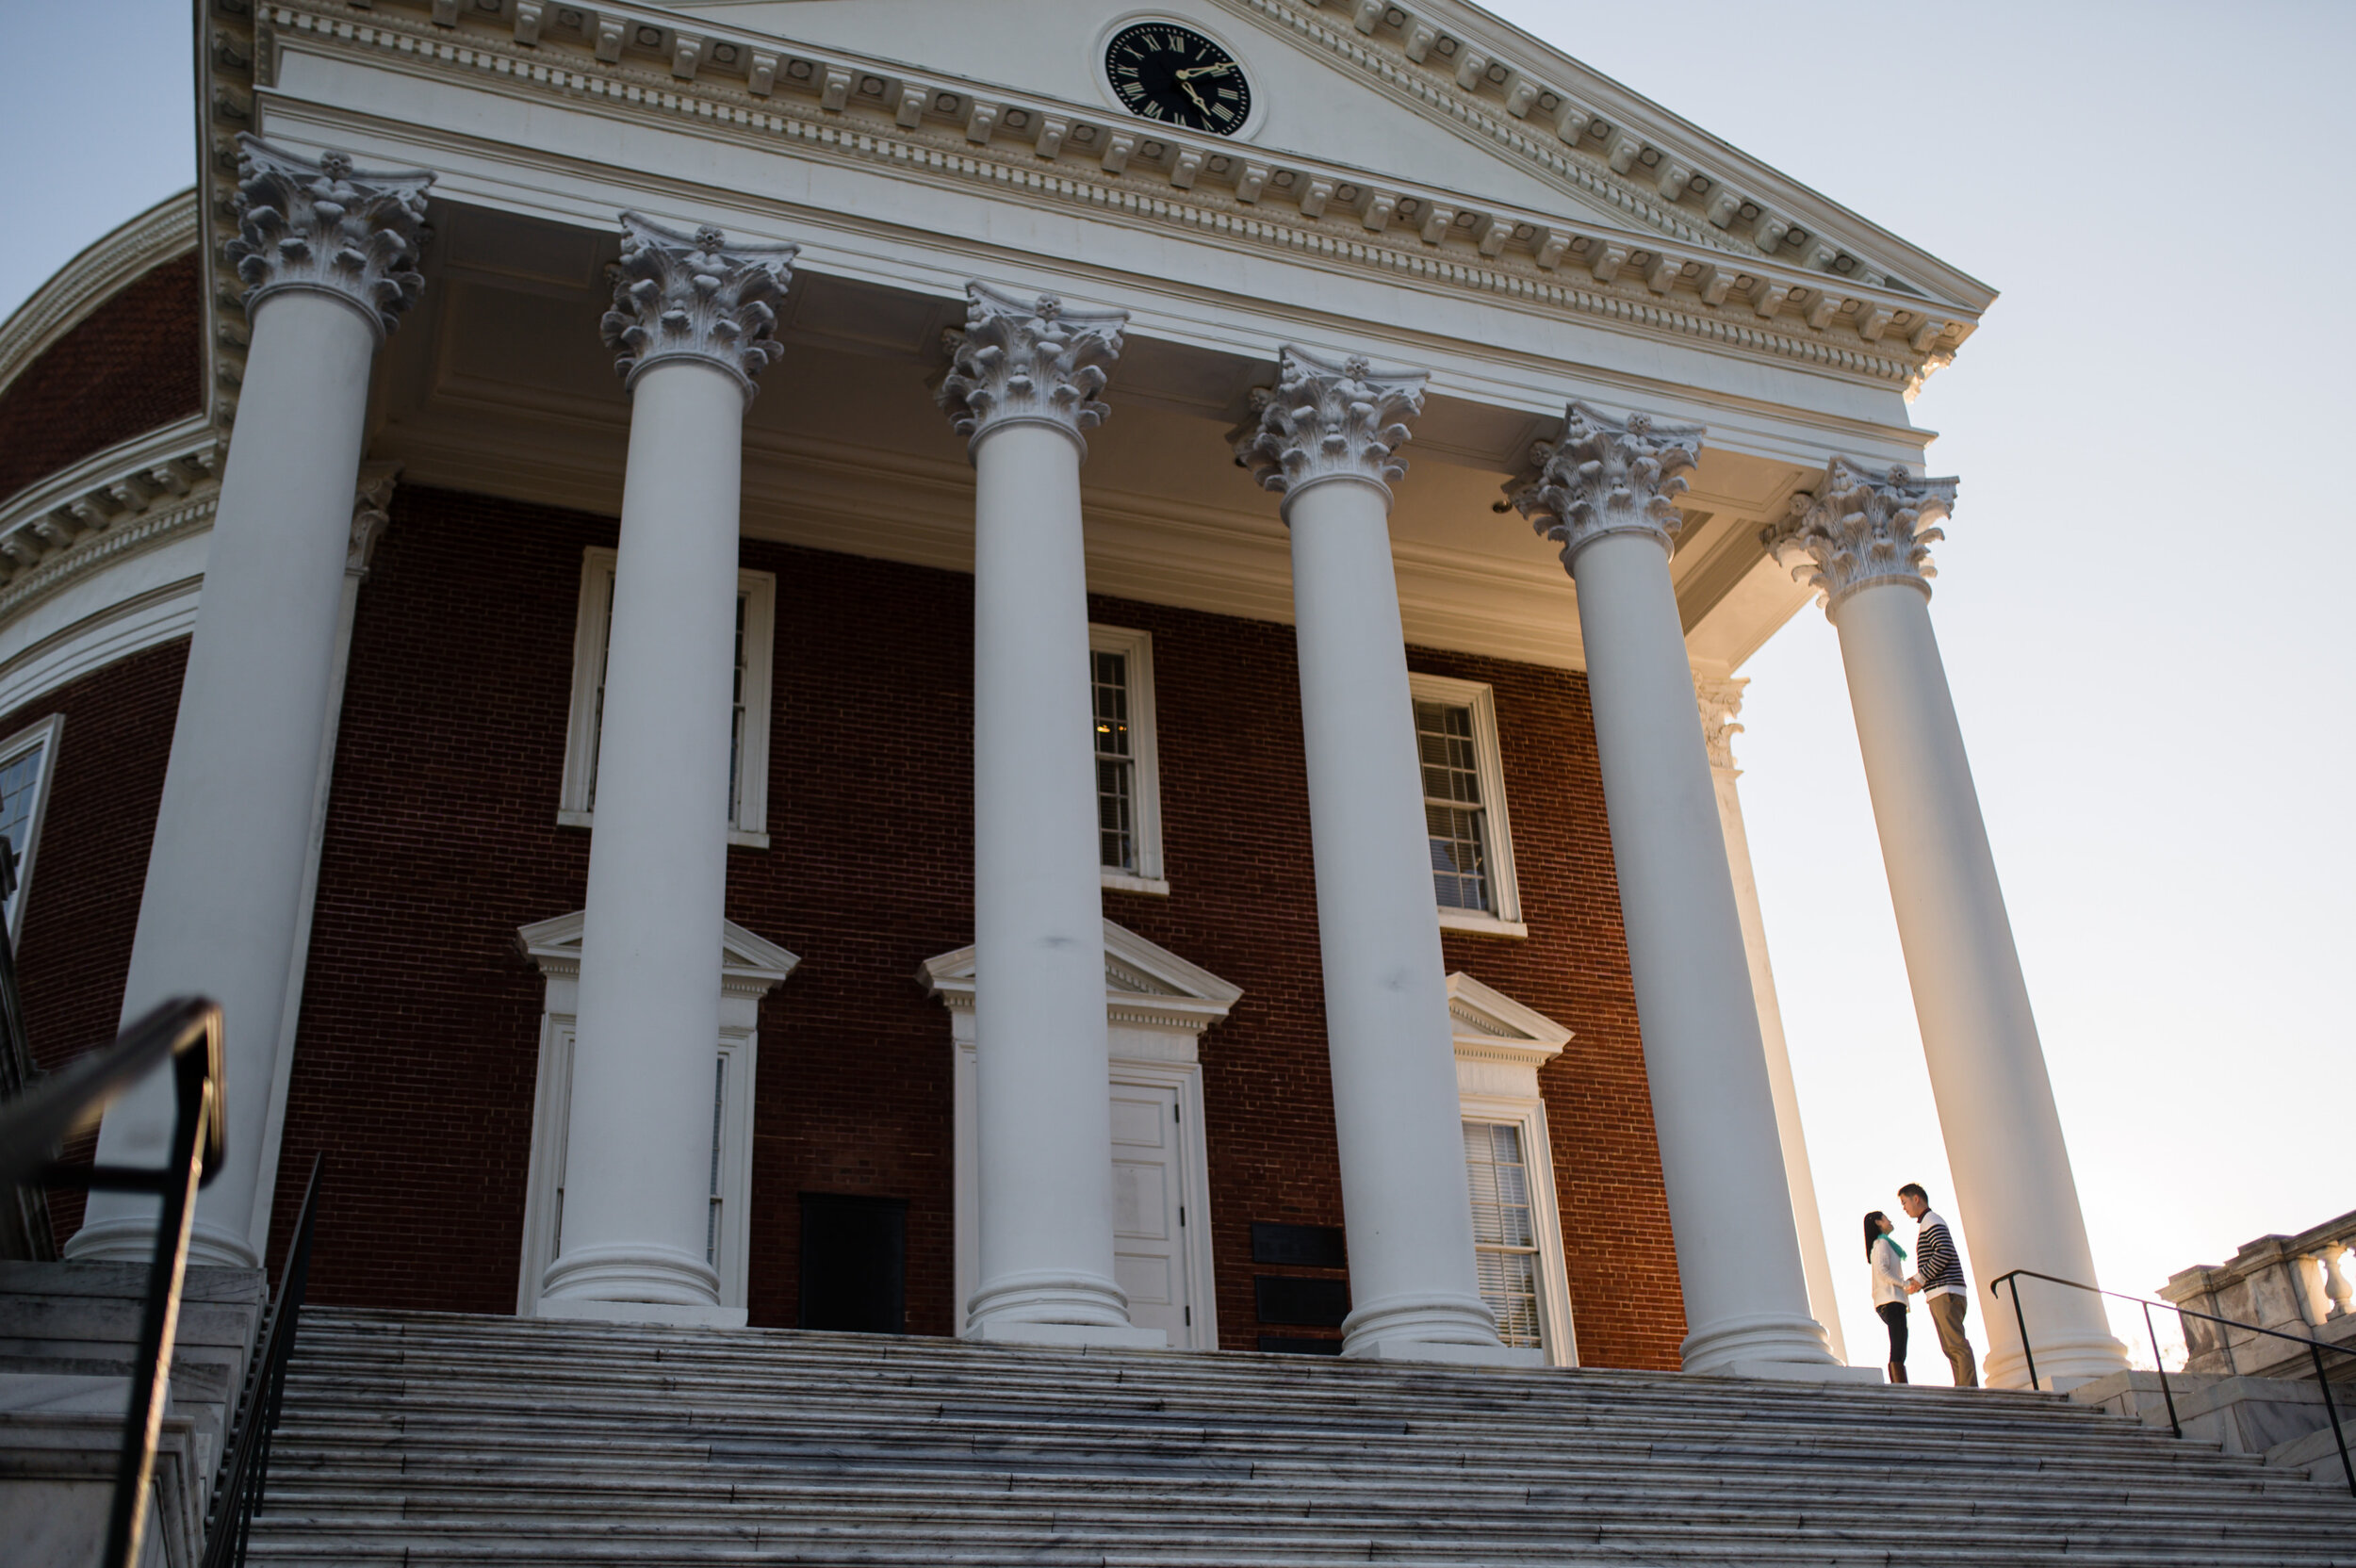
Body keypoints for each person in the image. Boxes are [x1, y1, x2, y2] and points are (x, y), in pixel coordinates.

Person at [1899, 1183, 1978, 1387]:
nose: (1904, 1207)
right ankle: (1963, 1387)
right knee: (1950, 1346)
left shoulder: (1932, 1221)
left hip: (1947, 1292)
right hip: (1941, 1292)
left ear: (1916, 1198)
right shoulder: (1928, 1222)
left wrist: (1921, 1278)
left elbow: (1943, 1252)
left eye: (1904, 1202)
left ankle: (1969, 1389)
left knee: (1956, 1344)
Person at [1864, 1211, 1909, 1383]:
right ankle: (1899, 1383)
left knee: (1900, 1340)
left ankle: (1899, 1381)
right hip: (1890, 1300)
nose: (1890, 1220)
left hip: (1890, 1300)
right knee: (1898, 1342)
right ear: (1878, 1222)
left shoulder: (1884, 1244)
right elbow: (1883, 1270)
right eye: (1885, 1218)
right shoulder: (1882, 1243)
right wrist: (1904, 1284)